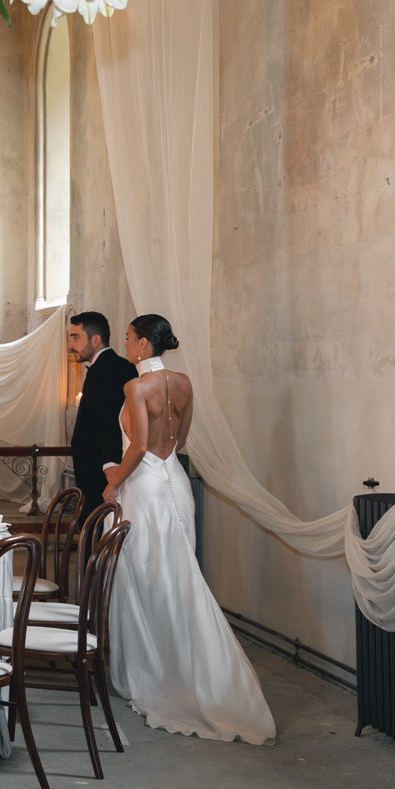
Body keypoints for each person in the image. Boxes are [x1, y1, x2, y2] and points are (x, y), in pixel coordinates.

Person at [98, 315, 276, 744]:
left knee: (146, 579)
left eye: (128, 338)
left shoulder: (135, 388)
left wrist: (113, 482)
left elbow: (138, 447)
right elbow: (180, 440)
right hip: (175, 482)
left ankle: (157, 673)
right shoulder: (184, 383)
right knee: (178, 576)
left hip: (144, 490)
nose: (125, 343)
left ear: (143, 346)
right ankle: (189, 666)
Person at [65, 311, 135, 519]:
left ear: (95, 340)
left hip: (101, 473)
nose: (70, 345)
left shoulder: (104, 371)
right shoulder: (117, 366)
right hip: (100, 471)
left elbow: (112, 424)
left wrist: (109, 469)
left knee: (96, 534)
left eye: (76, 337)